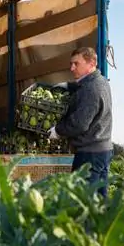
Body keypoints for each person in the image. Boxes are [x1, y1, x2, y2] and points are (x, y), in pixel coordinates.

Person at [48, 47, 113, 198]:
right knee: (100, 199)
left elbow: (79, 124)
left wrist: (57, 131)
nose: (71, 68)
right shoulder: (101, 80)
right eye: (71, 64)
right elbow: (84, 86)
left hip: (89, 154)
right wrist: (69, 86)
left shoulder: (90, 89)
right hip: (103, 150)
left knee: (83, 201)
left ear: (91, 64)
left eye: (76, 64)